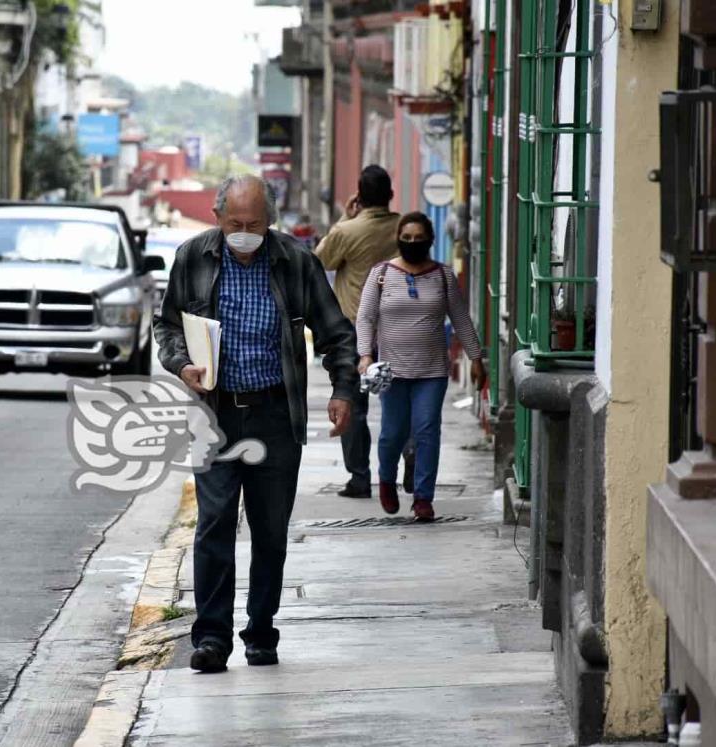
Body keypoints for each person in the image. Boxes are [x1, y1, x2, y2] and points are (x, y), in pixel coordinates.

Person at [155, 175, 357, 673]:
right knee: (214, 524)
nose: (244, 234)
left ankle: (261, 632)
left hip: (274, 414)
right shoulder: (192, 257)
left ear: (271, 221)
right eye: (234, 225)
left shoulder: (295, 262)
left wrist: (342, 390)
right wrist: (182, 364)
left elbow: (336, 333)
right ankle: (211, 638)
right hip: (216, 413)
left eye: (254, 225)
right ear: (218, 218)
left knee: (269, 531)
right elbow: (167, 324)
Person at [355, 211, 486, 522]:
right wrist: (365, 356)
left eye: (418, 238)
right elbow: (365, 317)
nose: (412, 243)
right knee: (392, 433)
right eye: (407, 238)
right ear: (398, 239)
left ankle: (423, 498)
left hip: (432, 371)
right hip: (392, 371)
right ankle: (386, 479)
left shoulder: (443, 276)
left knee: (427, 431)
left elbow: (461, 319)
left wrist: (476, 358)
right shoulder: (381, 274)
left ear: (430, 240)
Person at [313, 165, 401, 499]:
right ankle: (406, 463)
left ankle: (360, 478)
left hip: (354, 331)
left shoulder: (347, 231)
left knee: (353, 404)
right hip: (398, 330)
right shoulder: (403, 227)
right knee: (401, 401)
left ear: (359, 196)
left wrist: (345, 220)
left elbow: (319, 261)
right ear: (390, 195)